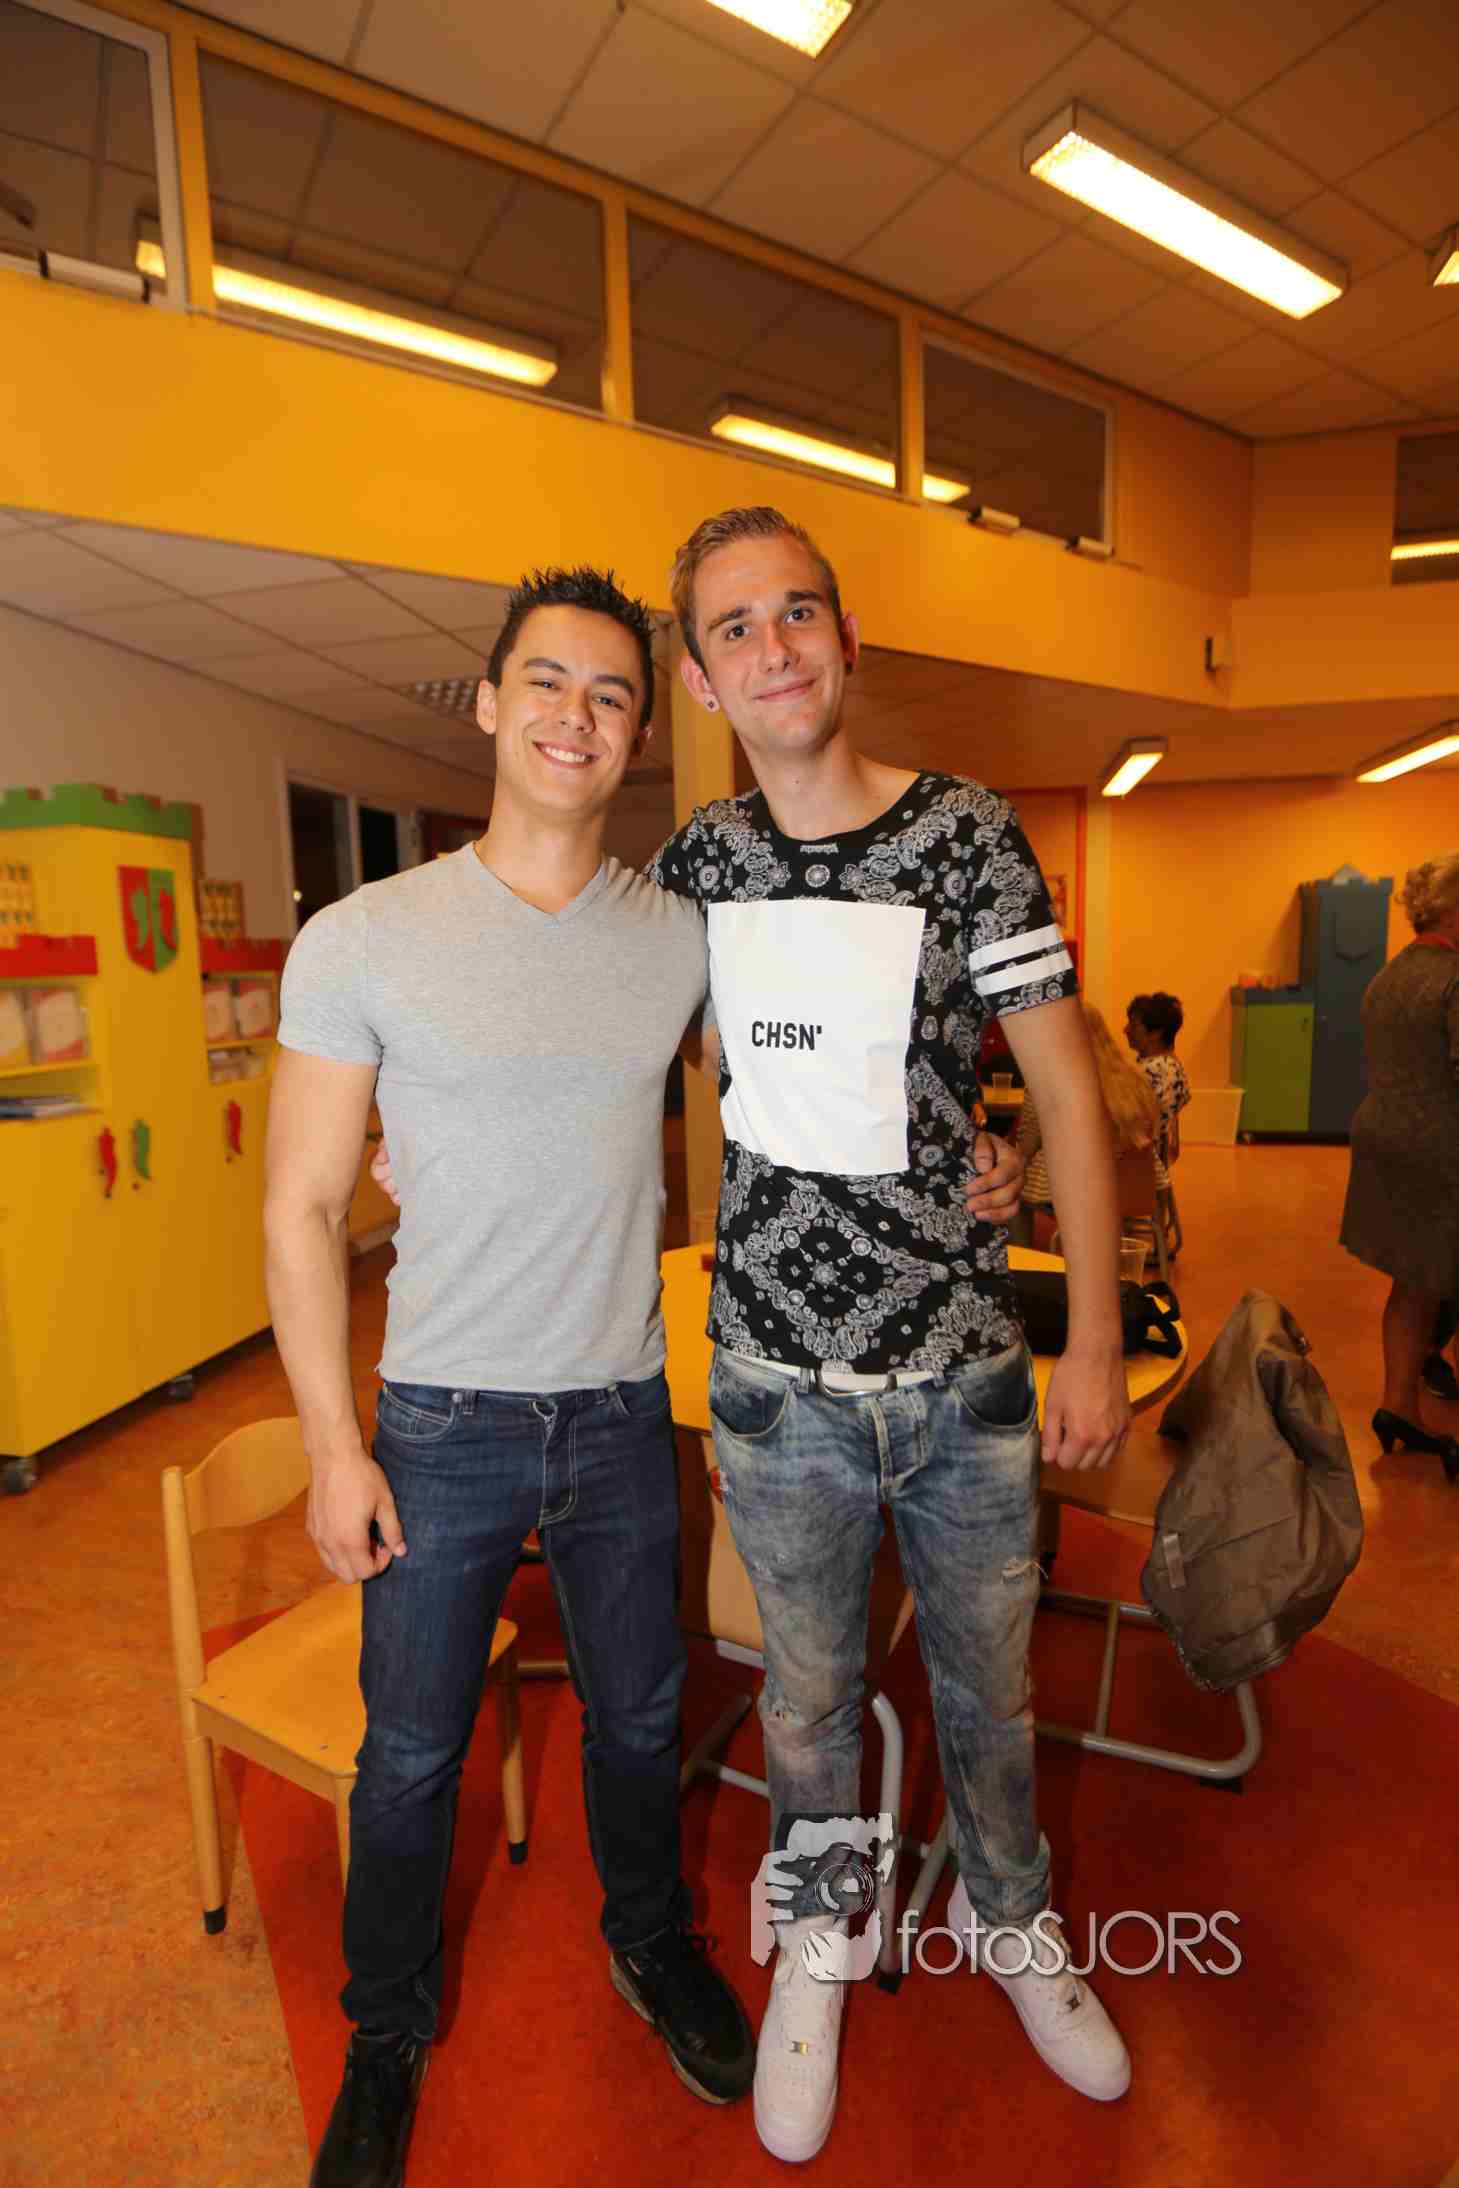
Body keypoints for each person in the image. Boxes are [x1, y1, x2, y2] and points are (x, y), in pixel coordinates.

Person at [265, 567, 761, 2188]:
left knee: (638, 1717)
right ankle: (385, 2028)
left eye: (610, 694)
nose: (574, 714)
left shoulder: (677, 939)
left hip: (619, 1413)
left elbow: (804, 1097)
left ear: (637, 734)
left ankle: (649, 1940)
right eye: (544, 681)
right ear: (486, 704)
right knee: (408, 1756)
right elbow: (303, 1205)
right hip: (440, 1422)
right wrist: (333, 1445)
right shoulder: (362, 937)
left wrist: (972, 1158)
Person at [648, 504, 1134, 2160]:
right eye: (732, 625)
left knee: (989, 1689)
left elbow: (1060, 1086)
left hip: (961, 1373)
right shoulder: (697, 866)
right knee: (803, 1700)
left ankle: (1010, 1915)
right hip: (774, 1384)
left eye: (798, 611)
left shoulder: (965, 832)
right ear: (699, 678)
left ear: (845, 639)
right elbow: (590, 1036)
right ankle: (820, 1941)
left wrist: (1087, 1332)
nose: (772, 646)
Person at [1339, 852, 1459, 1481]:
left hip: (1386, 1136)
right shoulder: (1454, 978)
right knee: (1434, 1274)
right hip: (1442, 1146)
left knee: (1414, 1279)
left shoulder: (1387, 976)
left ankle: (1399, 1406)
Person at [1014, 1005, 1160, 1247]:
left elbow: (1027, 1147)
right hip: (1130, 1193)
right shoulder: (1136, 1080)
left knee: (1011, 1190)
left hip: (1076, 1193)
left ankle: (1021, 1263)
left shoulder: (1047, 1083)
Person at [1125, 991, 1189, 1254]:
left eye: (1134, 1024)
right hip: (1151, 1157)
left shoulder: (1152, 1070)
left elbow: (1134, 1121)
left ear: (1155, 1033)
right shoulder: (1169, 1065)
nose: (1126, 1030)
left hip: (1136, 1160)